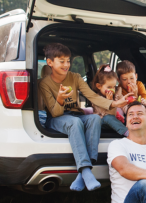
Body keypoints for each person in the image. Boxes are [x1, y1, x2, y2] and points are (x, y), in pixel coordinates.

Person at [38, 43, 130, 191]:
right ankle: (86, 171)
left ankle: (83, 173)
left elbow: (92, 96)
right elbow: (55, 113)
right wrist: (60, 98)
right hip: (56, 118)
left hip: (75, 114)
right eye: (62, 61)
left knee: (94, 118)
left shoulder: (75, 77)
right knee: (74, 122)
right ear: (50, 63)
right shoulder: (44, 83)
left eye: (68, 60)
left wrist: (114, 103)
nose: (66, 64)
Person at [90, 64, 131, 137]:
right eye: (109, 87)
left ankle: (142, 135)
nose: (112, 89)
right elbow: (107, 116)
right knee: (108, 118)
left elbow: (124, 106)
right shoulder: (97, 99)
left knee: (129, 117)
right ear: (99, 86)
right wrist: (110, 102)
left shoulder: (117, 93)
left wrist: (130, 112)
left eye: (114, 86)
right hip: (102, 122)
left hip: (116, 120)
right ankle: (129, 134)